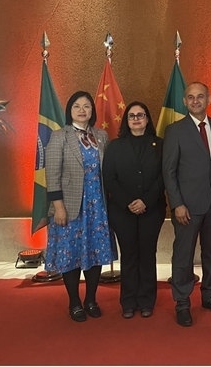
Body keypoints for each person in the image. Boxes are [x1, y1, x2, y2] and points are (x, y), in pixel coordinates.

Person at [163, 82, 211, 327]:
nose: (195, 101)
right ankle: (182, 302)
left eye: (200, 96)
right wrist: (177, 204)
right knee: (184, 255)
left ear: (208, 99)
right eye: (190, 97)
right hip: (187, 207)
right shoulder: (175, 130)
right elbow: (168, 171)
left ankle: (210, 296)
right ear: (184, 101)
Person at [45, 90, 115, 322]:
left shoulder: (101, 135)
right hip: (70, 207)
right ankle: (74, 302)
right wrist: (59, 207)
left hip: (98, 207)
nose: (82, 110)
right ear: (70, 110)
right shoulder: (59, 136)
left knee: (95, 253)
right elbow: (52, 174)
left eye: (86, 106)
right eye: (77, 106)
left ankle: (91, 299)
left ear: (92, 110)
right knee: (71, 254)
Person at [102, 101, 166, 319]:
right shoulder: (114, 147)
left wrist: (145, 201)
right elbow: (109, 178)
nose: (136, 119)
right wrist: (128, 202)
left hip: (152, 209)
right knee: (128, 255)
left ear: (147, 119)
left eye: (141, 115)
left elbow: (163, 177)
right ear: (126, 121)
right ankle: (128, 302)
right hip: (122, 211)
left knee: (147, 254)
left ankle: (147, 301)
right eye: (132, 116)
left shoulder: (160, 145)